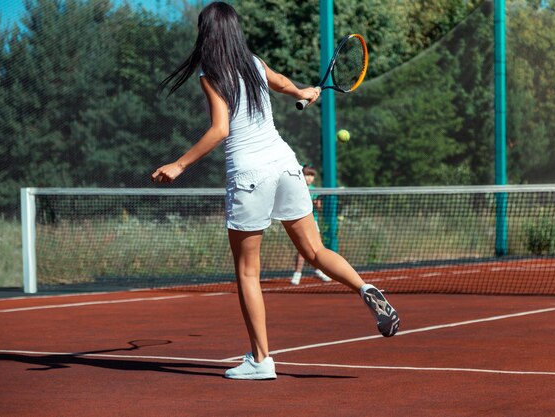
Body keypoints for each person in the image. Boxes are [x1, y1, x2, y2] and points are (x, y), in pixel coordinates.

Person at [151, 2, 399, 380]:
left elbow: (221, 130)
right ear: (235, 31)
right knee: (315, 251)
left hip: (250, 174)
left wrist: (179, 164)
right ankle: (364, 287)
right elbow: (283, 83)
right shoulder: (252, 62)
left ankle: (262, 360)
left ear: (207, 34)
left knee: (248, 273)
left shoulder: (211, 74)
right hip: (286, 165)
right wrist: (304, 90)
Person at [291, 165, 331, 285]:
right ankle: (297, 273)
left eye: (312, 175)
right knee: (303, 249)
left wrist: (316, 203)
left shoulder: (315, 190)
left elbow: (318, 207)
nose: (309, 178)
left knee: (317, 248)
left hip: (314, 221)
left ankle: (318, 270)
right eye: (307, 175)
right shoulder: (297, 189)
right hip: (301, 221)